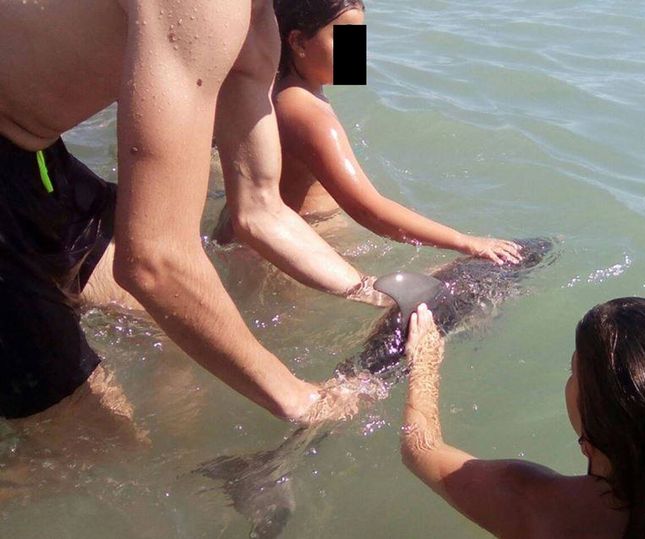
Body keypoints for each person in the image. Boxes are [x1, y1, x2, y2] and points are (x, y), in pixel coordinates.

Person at [0, 0, 375, 424]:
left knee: (164, 327)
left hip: (33, 153)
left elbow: (260, 209)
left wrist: (371, 291)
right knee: (96, 444)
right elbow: (153, 261)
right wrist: (296, 398)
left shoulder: (257, 26)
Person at [399, 299, 645, 538]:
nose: (570, 373)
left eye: (574, 369)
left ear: (595, 447)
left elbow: (421, 449)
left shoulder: (537, 506)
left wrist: (424, 363)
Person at [214, 0, 523, 266]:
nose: (357, 50)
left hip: (255, 238)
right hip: (282, 251)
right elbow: (368, 209)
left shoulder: (270, 91)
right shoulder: (307, 114)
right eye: (344, 37)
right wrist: (466, 242)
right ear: (298, 42)